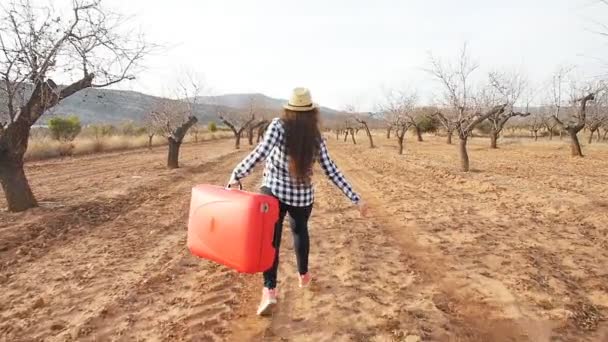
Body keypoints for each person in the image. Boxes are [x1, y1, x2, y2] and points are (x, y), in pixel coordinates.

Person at [228, 87, 368, 316]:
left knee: (271, 240)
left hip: (273, 190)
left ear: (289, 110)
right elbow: (332, 170)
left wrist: (237, 175)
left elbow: (260, 153)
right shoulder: (315, 136)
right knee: (300, 232)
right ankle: (303, 275)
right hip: (302, 197)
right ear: (311, 112)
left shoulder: (279, 126)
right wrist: (356, 199)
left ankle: (269, 290)